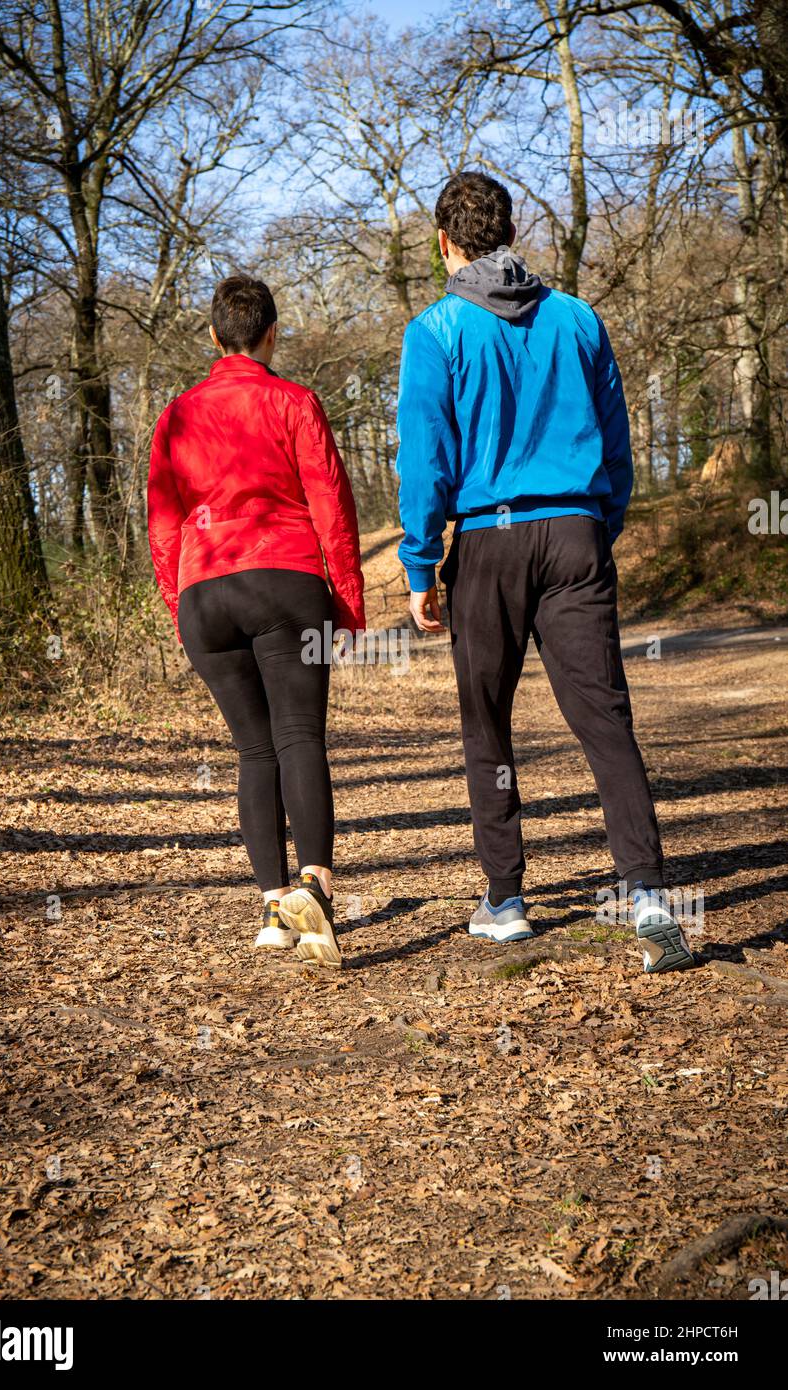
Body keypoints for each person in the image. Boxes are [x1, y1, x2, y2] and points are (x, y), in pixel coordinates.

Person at [395, 171, 693, 974]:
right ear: (511, 230)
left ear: (445, 243)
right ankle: (650, 896)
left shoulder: (437, 330)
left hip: (489, 542)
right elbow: (617, 441)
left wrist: (420, 562)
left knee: (487, 722)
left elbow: (425, 462)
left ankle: (506, 902)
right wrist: (600, 524)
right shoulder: (578, 317)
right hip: (574, 533)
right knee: (604, 717)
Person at [148, 273, 365, 967]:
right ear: (273, 334)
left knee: (253, 750)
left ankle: (273, 909)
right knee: (300, 735)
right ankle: (318, 891)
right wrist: (349, 600)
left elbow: (162, 522)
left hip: (205, 591)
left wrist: (177, 597)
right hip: (287, 577)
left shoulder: (177, 416)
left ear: (214, 338)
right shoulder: (293, 401)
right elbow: (331, 502)